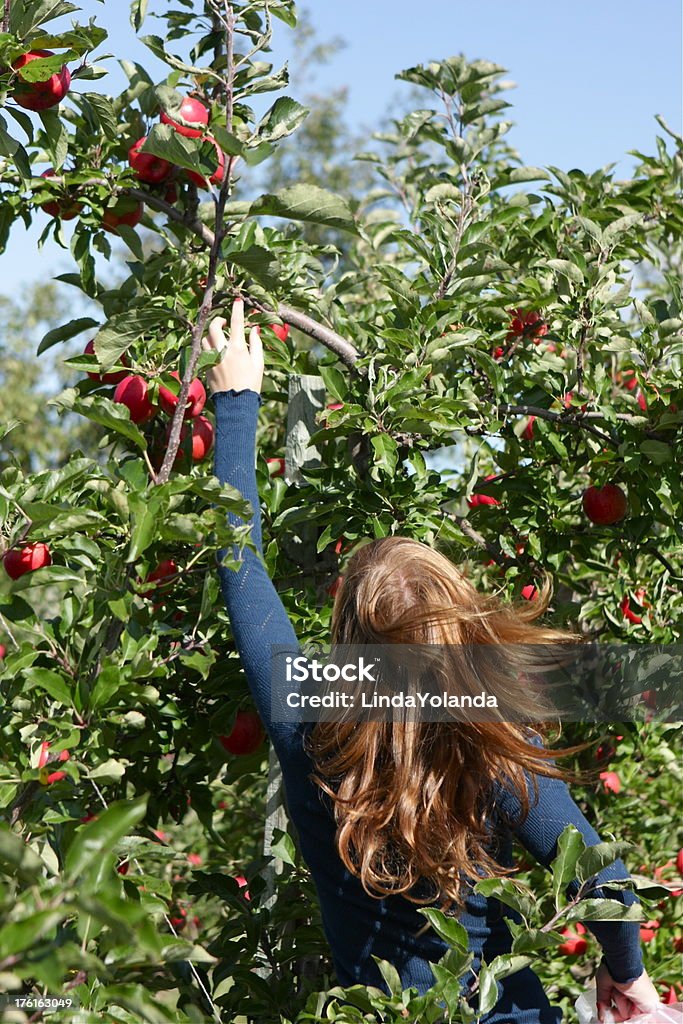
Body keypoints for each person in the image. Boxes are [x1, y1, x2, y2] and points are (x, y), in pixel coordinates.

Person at [202, 299, 661, 1024]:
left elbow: (238, 563)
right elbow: (603, 881)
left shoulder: (309, 719)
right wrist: (627, 977)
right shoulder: (495, 738)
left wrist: (234, 403)